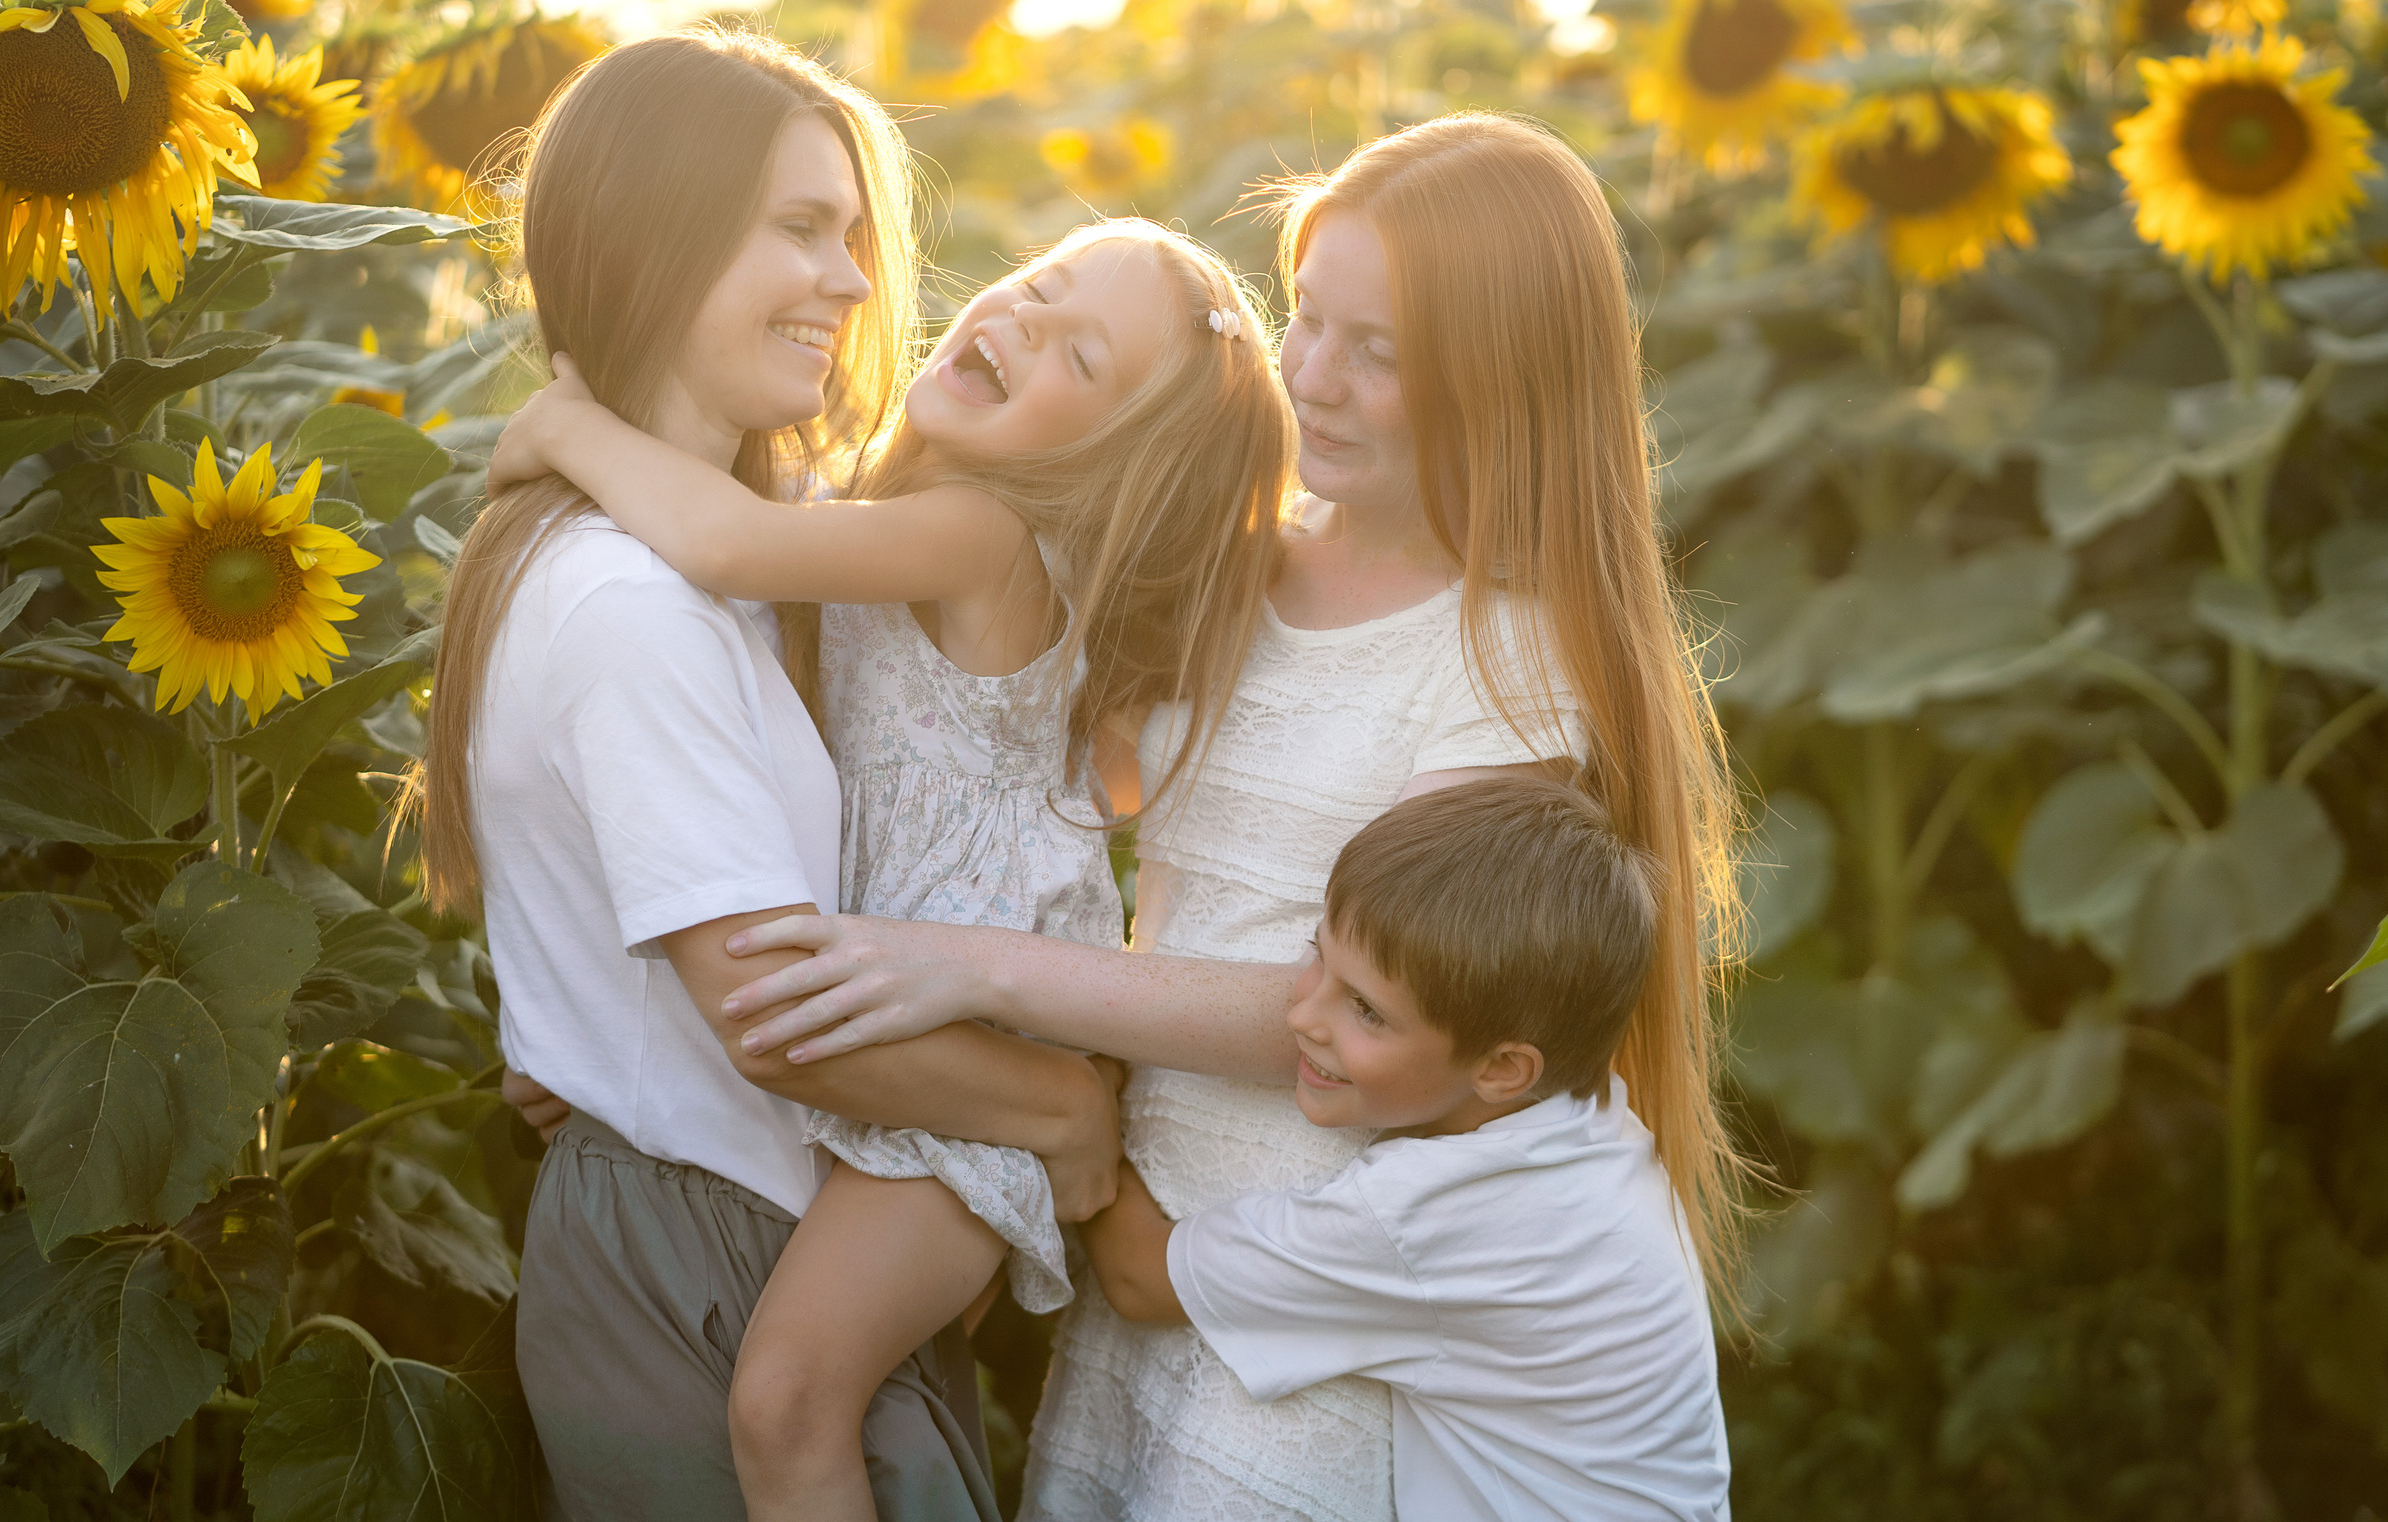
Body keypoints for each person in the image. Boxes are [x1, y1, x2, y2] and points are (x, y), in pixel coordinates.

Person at [559, 110, 1748, 1522]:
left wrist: (979, 971)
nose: (1314, 374)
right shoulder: (1235, 570)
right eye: (1308, 319)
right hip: (1148, 1244)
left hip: (1318, 1289)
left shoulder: (1516, 667)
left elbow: (1378, 1014)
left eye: (1377, 352)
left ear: (1505, 383)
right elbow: (1004, 758)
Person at [485, 214, 1294, 1522]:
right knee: (868, 1400)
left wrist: (564, 429)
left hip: (955, 1078)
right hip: (888, 1052)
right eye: (1041, 285)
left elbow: (728, 543)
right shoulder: (884, 502)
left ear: (1102, 464)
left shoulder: (981, 533)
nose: (1022, 320)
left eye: (1079, 357)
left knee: (786, 1397)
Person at [419, 29, 1125, 1522]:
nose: (857, 282)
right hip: (712, 1264)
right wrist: (1062, 1105)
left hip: (746, 1229)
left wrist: (588, 1039)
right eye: (802, 229)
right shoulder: (631, 603)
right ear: (655, 233)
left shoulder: (723, 560)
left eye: (855, 235)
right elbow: (775, 1019)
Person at [1080, 776, 1733, 1522]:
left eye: (1365, 1009)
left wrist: (1083, 1099)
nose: (1302, 1011)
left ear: (1502, 1068)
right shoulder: (1587, 1126)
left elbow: (1137, 1275)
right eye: (1316, 956)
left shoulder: (1434, 1213)